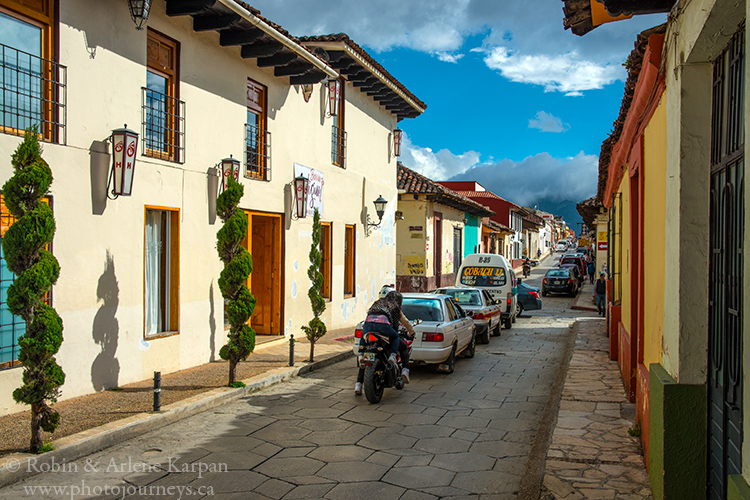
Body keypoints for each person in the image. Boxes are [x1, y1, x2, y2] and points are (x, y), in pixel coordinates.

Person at [355, 290, 415, 395]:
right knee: (399, 341)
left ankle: (358, 385)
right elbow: (402, 323)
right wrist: (411, 332)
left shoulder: (377, 303)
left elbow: (369, 315)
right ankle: (402, 367)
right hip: (382, 327)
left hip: (368, 325)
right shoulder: (394, 306)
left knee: (365, 348)